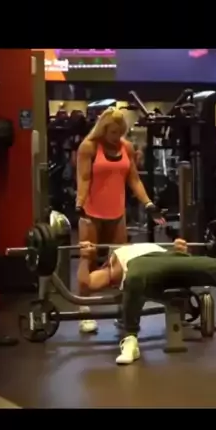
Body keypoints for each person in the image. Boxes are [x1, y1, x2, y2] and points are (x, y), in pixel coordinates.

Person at [77, 238, 216, 364]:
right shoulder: (114, 261)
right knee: (134, 278)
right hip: (142, 267)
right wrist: (85, 258)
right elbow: (86, 284)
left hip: (173, 259)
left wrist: (179, 249)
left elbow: (178, 257)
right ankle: (130, 340)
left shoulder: (158, 246)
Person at [76, 108, 165, 334]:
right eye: (113, 132)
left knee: (121, 263)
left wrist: (148, 204)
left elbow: (134, 180)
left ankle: (122, 312)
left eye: (120, 132)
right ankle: (84, 312)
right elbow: (84, 178)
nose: (117, 137)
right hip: (91, 213)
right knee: (88, 259)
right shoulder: (89, 147)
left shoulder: (126, 147)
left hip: (117, 214)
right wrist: (79, 205)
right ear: (103, 129)